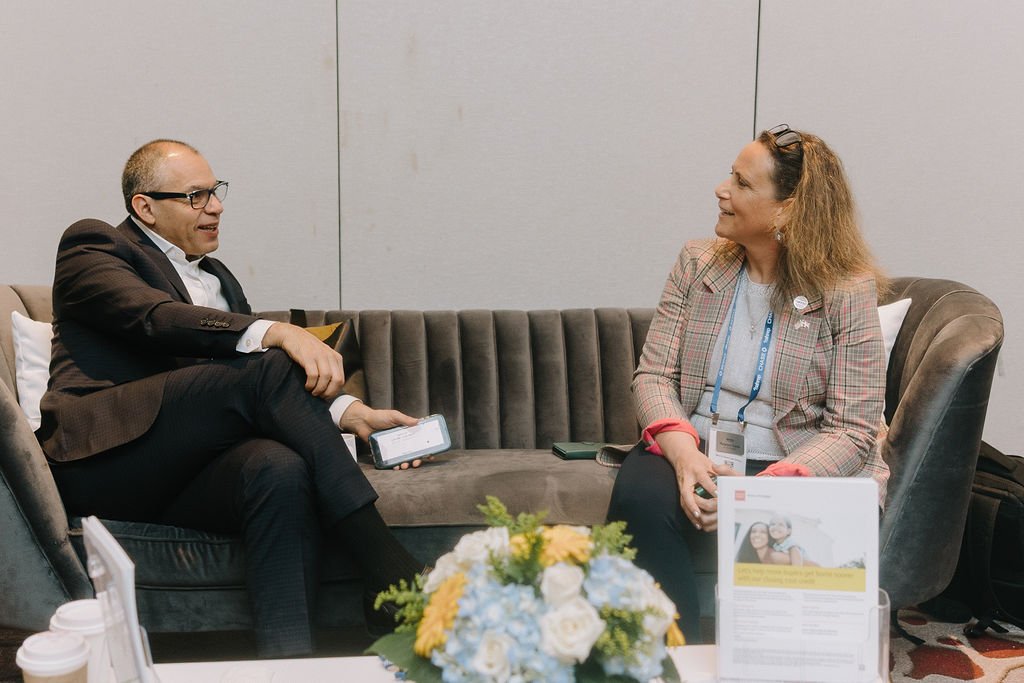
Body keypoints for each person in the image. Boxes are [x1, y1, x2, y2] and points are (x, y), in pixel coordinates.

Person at [37, 139, 427, 658]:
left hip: (186, 468)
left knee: (277, 468)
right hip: (106, 460)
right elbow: (155, 319)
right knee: (265, 362)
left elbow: (245, 389)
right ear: (145, 206)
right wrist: (275, 332)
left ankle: (287, 663)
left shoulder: (219, 277)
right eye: (196, 196)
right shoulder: (94, 247)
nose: (216, 206)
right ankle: (389, 569)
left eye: (215, 192)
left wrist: (349, 413)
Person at [606, 125, 888, 642]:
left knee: (779, 529)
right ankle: (674, 658)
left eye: (741, 182)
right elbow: (653, 376)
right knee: (639, 499)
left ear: (788, 209)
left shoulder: (847, 292)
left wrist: (757, 496)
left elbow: (853, 431)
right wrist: (684, 453)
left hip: (794, 461)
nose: (721, 189)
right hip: (696, 446)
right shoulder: (698, 263)